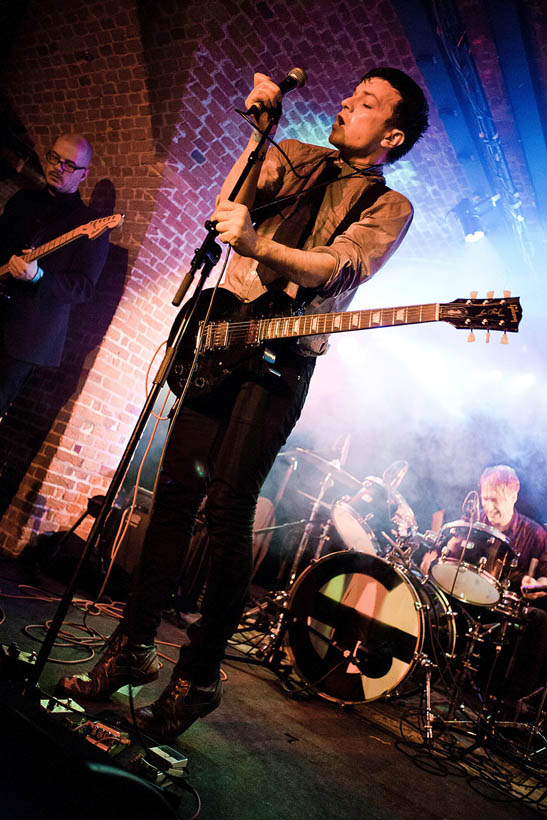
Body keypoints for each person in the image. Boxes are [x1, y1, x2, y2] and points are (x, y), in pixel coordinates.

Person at [58, 68, 430, 738]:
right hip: (219, 333)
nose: (348, 103)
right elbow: (230, 203)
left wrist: (258, 244)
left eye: (368, 103)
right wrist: (261, 136)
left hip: (281, 359)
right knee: (171, 496)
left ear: (392, 134)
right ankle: (132, 648)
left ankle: (197, 677)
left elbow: (335, 268)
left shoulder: (389, 204)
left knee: (227, 513)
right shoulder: (297, 156)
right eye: (351, 94)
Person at [0, 133, 110, 415]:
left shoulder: (90, 225)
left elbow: (83, 288)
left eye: (68, 165)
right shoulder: (24, 200)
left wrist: (39, 277)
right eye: (53, 158)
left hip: (25, 336)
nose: (57, 167)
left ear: (83, 175)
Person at [424, 465, 547, 707]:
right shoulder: (473, 519)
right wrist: (435, 554)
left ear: (514, 494)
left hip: (504, 606)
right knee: (430, 597)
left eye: (495, 500)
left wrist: (536, 584)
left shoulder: (535, 534)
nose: (489, 507)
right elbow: (447, 552)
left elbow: (545, 577)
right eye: (485, 498)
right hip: (463, 596)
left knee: (541, 619)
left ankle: (512, 701)